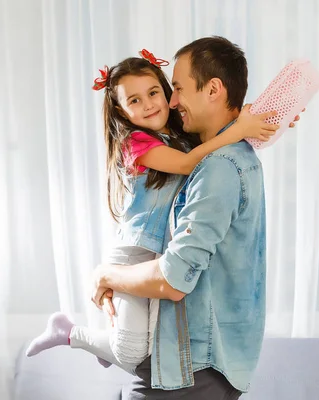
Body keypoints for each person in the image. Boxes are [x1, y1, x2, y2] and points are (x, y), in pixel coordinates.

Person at [25, 48, 279, 375]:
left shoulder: (179, 136)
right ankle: (71, 333)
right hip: (134, 253)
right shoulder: (136, 143)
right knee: (132, 353)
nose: (148, 105)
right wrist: (240, 128)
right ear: (120, 109)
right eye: (134, 101)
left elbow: (216, 129)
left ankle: (110, 346)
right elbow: (190, 163)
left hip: (158, 254)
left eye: (154, 92)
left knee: (140, 346)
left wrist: (253, 117)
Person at [91, 36, 285, 399]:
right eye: (135, 100)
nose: (170, 101)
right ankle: (82, 339)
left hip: (192, 368)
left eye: (169, 89)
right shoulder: (182, 149)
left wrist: (104, 275)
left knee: (131, 348)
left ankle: (77, 337)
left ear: (213, 89)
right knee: (131, 345)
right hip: (145, 267)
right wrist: (249, 123)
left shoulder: (218, 166)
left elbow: (173, 280)